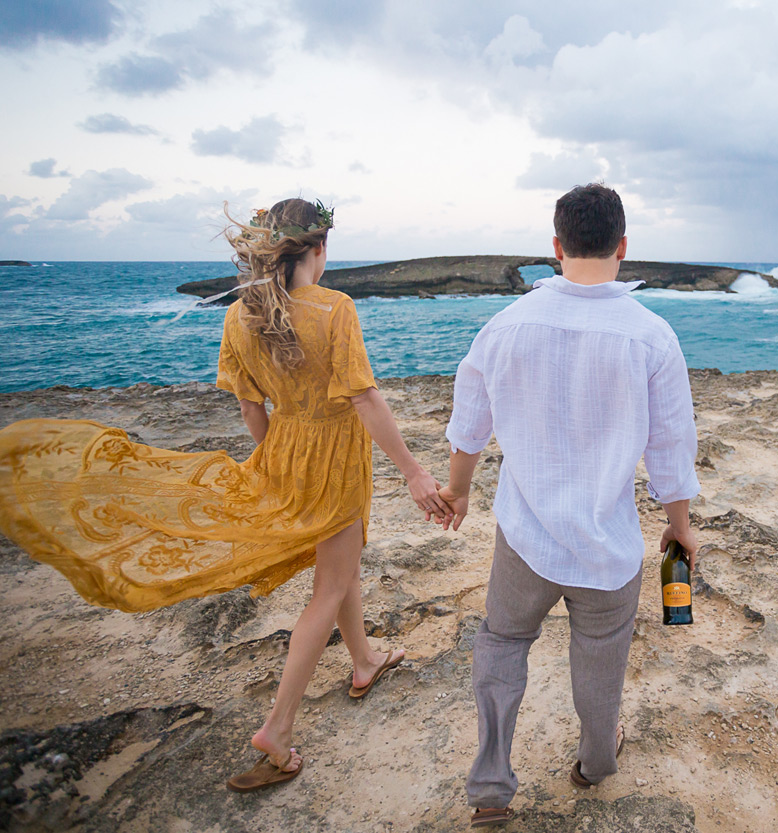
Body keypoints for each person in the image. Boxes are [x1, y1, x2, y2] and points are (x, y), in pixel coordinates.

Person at [0, 198, 451, 791]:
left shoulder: (239, 316)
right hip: (335, 457)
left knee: (339, 566)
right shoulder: (334, 308)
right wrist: (416, 473)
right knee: (331, 584)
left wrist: (269, 464)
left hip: (282, 448)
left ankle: (364, 659)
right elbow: (364, 398)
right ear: (319, 249)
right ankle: (278, 730)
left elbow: (248, 404)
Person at [438, 183, 701, 827]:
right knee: (601, 653)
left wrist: (459, 489)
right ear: (623, 246)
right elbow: (671, 445)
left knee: (502, 641)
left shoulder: (507, 324)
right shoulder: (651, 334)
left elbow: (469, 420)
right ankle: (595, 762)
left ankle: (491, 783)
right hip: (608, 545)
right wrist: (679, 528)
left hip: (525, 534)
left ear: (555, 247)